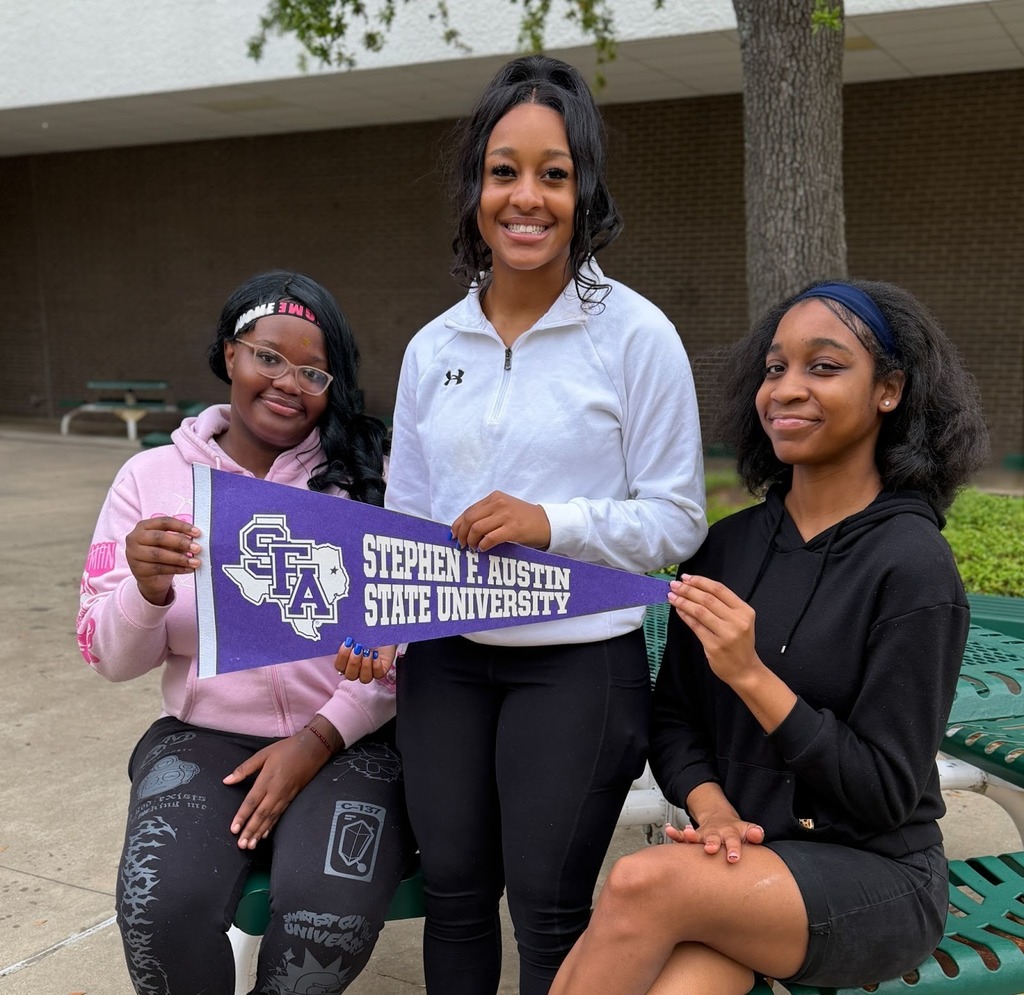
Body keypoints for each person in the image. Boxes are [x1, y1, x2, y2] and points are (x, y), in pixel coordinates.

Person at [358, 54, 707, 995]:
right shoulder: (436, 347)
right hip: (446, 663)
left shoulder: (635, 335)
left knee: (549, 906)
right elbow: (406, 518)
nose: (527, 197)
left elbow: (677, 519)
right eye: (504, 170)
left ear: (584, 188)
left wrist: (553, 522)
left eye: (553, 173)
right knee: (458, 895)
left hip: (576, 664)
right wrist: (380, 625)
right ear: (477, 185)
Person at [549, 279, 991, 994]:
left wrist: (751, 675)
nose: (786, 388)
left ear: (889, 390)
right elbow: (673, 720)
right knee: (680, 983)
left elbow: (884, 792)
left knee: (642, 881)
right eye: (775, 367)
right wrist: (713, 808)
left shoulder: (913, 566)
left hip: (875, 875)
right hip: (743, 860)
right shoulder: (726, 549)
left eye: (824, 366)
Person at [77, 271, 415, 995]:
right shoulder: (151, 478)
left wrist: (319, 737)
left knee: (320, 928)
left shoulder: (368, 476)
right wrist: (146, 589)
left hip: (349, 740)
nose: (288, 382)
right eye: (268, 356)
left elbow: (409, 640)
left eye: (314, 370)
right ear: (230, 354)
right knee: (158, 911)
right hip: (205, 737)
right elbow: (108, 656)